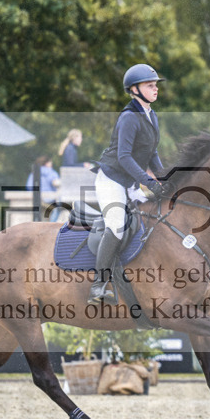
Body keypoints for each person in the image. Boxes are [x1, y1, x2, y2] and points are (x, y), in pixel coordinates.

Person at [88, 63, 168, 304]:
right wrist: (148, 182)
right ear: (134, 89)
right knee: (117, 224)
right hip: (111, 179)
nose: (155, 89)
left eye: (155, 85)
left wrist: (164, 179)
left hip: (129, 182)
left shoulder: (150, 115)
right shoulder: (129, 117)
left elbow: (151, 154)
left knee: (152, 215)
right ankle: (98, 285)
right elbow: (124, 156)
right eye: (149, 85)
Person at [25, 156, 61, 222]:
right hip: (50, 201)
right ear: (47, 163)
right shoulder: (51, 172)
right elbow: (57, 183)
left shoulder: (33, 174)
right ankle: (52, 224)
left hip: (37, 201)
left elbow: (29, 187)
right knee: (58, 208)